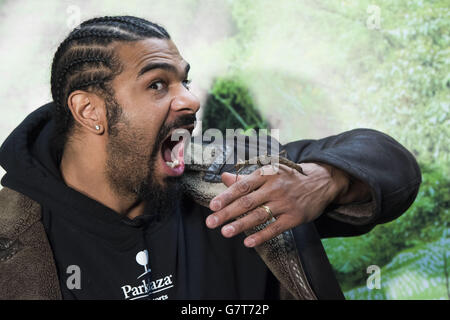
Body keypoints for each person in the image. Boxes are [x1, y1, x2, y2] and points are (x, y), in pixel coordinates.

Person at [0, 16, 421, 300]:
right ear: (90, 111)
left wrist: (320, 181)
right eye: (157, 85)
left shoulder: (239, 182)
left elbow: (390, 164)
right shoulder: (11, 237)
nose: (190, 99)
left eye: (184, 80)